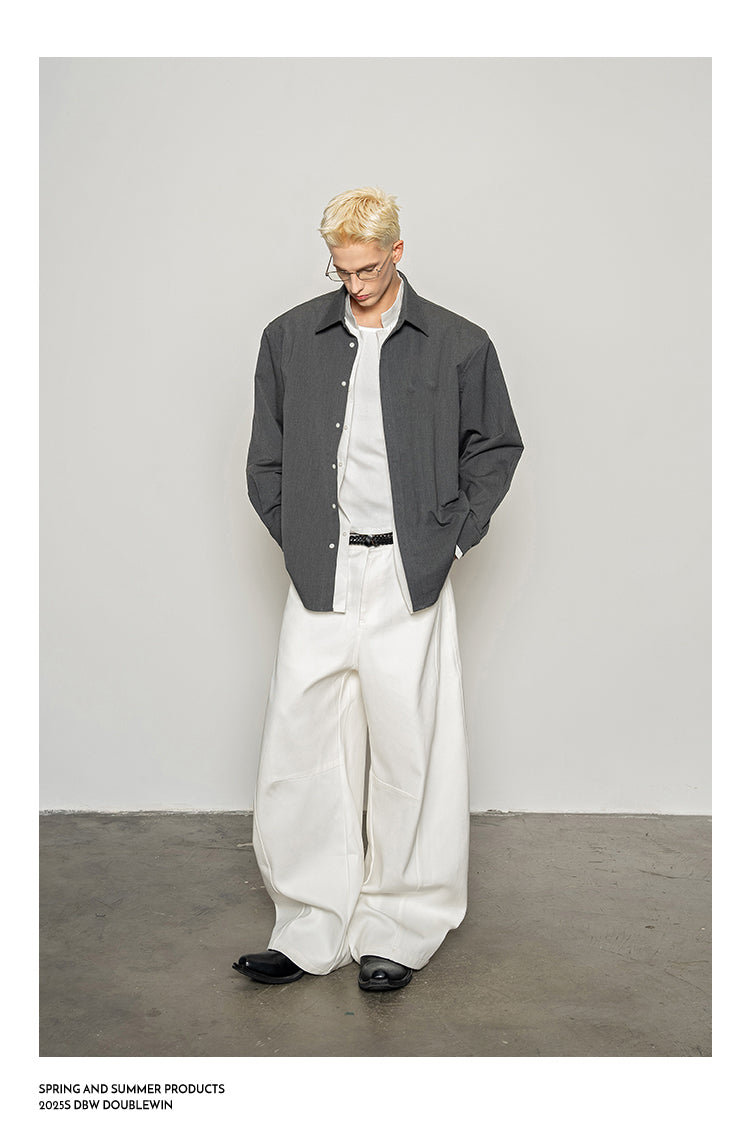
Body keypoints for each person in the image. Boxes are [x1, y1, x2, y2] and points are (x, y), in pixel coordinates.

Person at [234, 187, 523, 992]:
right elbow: (266, 458)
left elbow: (496, 446)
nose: (354, 284)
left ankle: (400, 925)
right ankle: (309, 926)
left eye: (367, 268)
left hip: (408, 572)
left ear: (397, 251)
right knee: (302, 749)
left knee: (410, 749)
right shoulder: (289, 337)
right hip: (322, 572)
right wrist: (296, 535)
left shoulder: (459, 344)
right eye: (341, 269)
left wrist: (452, 538)